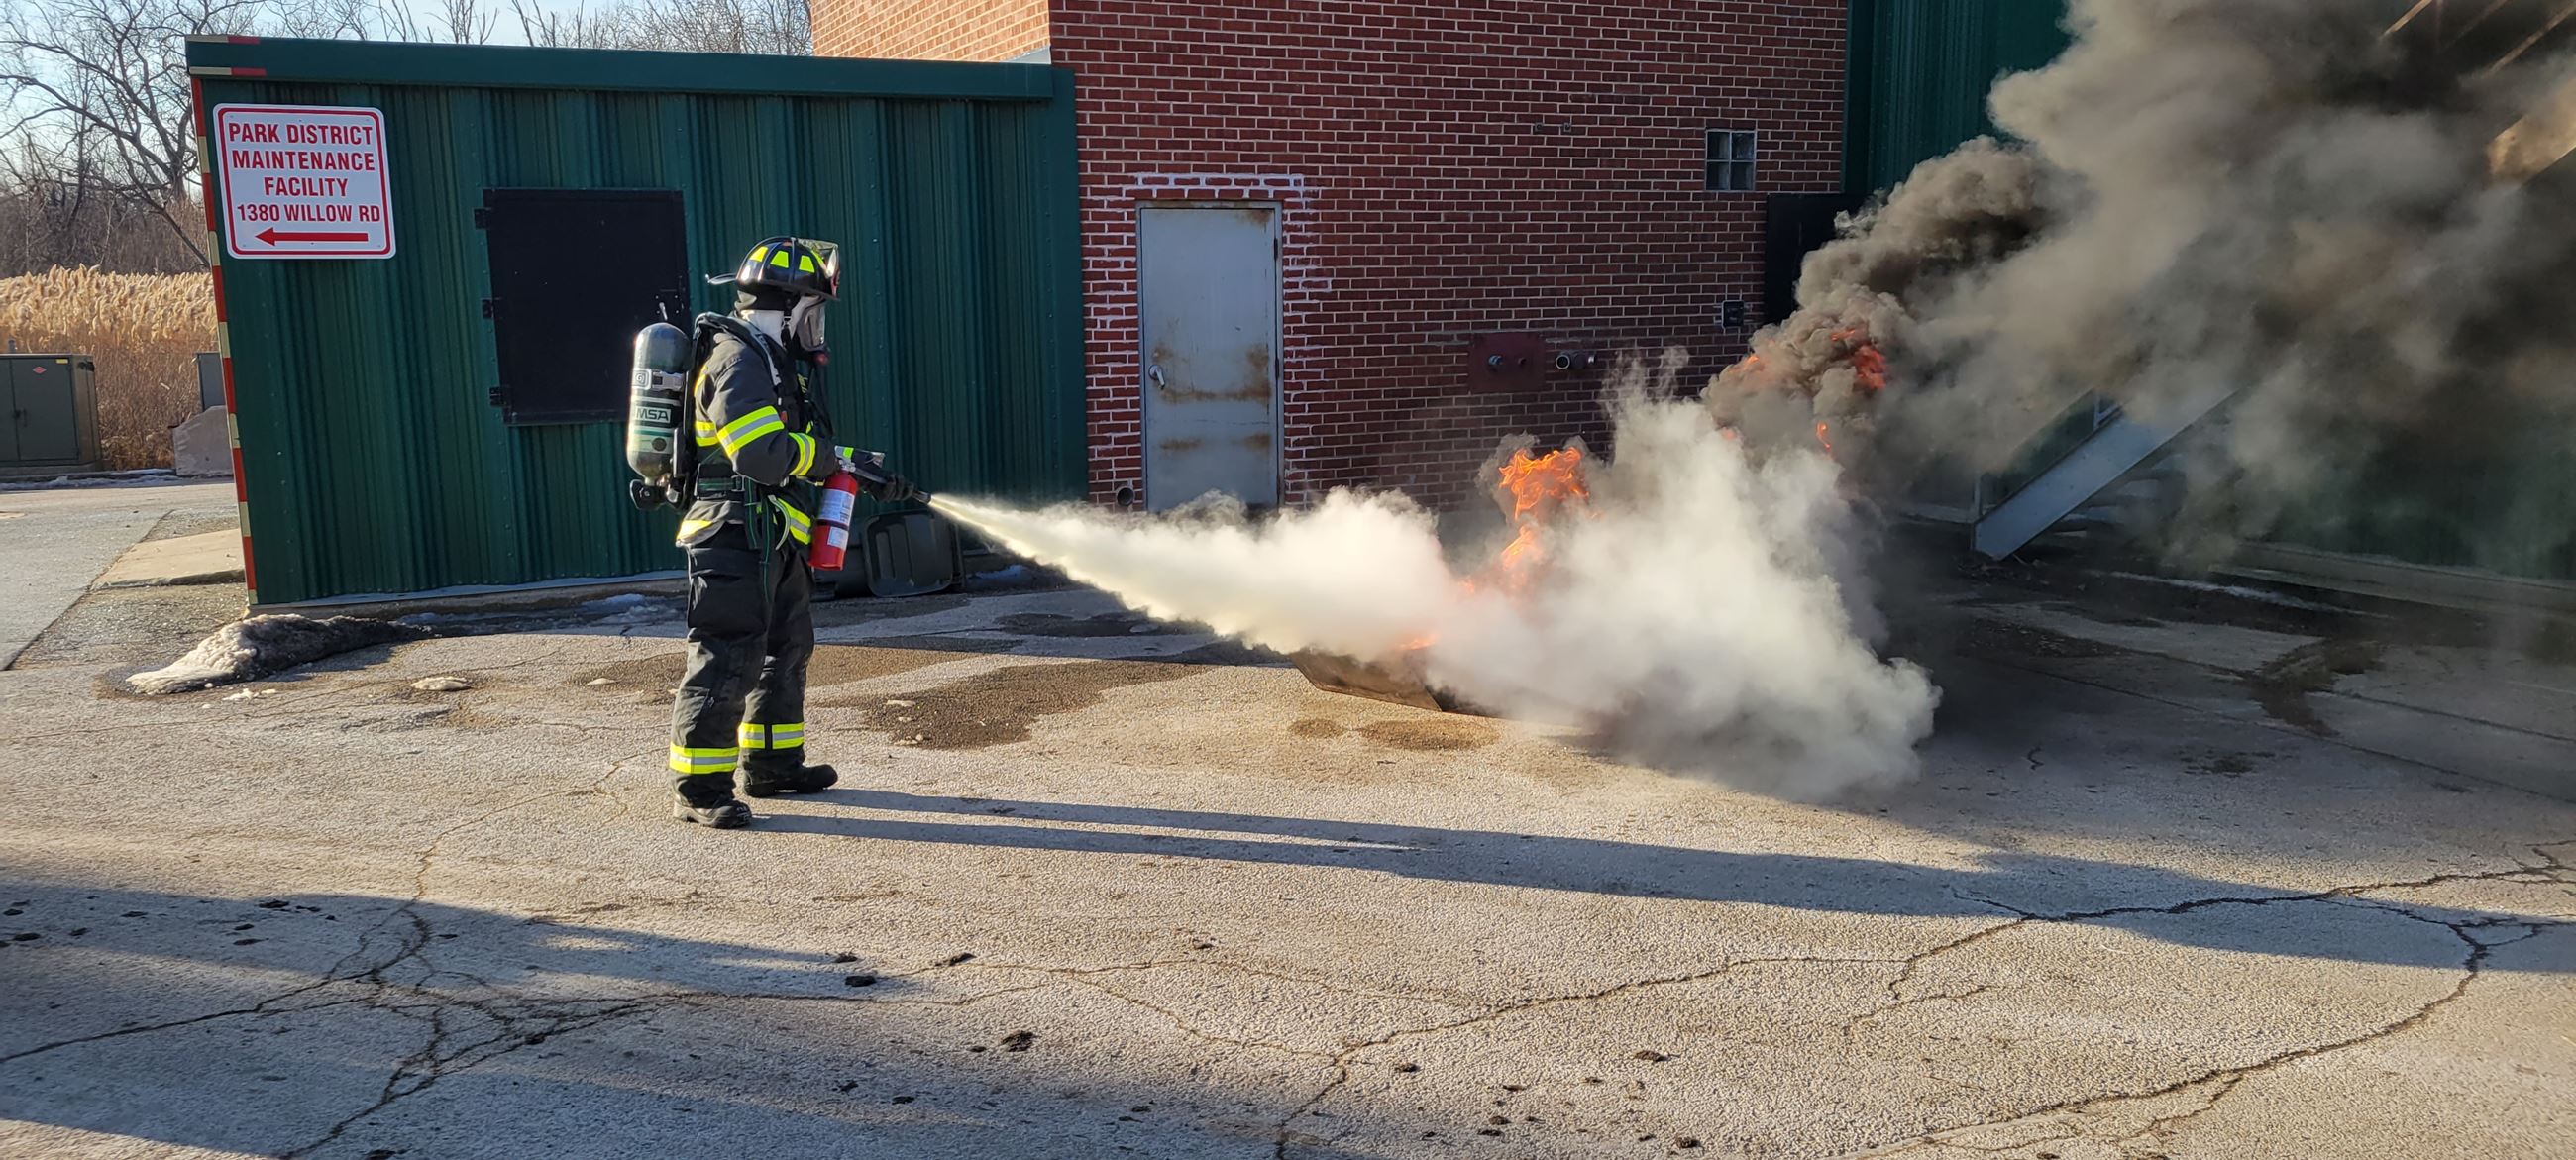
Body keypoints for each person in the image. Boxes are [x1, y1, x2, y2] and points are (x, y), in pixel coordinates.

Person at [667, 236, 913, 828]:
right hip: (731, 532)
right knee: (729, 653)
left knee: (786, 649)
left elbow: (799, 449)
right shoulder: (737, 358)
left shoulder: (770, 361)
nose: (817, 325)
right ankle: (700, 789)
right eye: (815, 310)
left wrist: (852, 461)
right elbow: (759, 453)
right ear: (791, 303)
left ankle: (774, 764)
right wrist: (831, 459)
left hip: (770, 533)